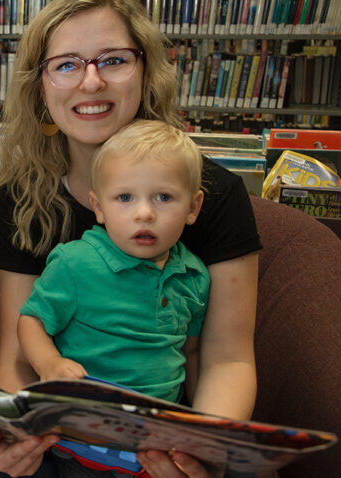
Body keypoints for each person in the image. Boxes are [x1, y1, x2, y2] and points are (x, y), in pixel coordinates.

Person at [0, 0, 261, 478]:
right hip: (61, 438)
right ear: (40, 88)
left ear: (146, 72)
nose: (91, 83)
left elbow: (225, 358)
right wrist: (15, 438)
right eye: (66, 64)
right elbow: (18, 357)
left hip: (166, 435)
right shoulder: (15, 201)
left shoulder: (214, 192)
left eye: (113, 60)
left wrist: (201, 448)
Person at [17, 119, 209, 475]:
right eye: (124, 198)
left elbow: (191, 352)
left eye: (164, 197)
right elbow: (31, 320)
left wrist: (198, 421)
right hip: (78, 441)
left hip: (156, 444)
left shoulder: (194, 275)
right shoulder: (75, 262)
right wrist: (49, 364)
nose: (144, 213)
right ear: (98, 206)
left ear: (193, 207)